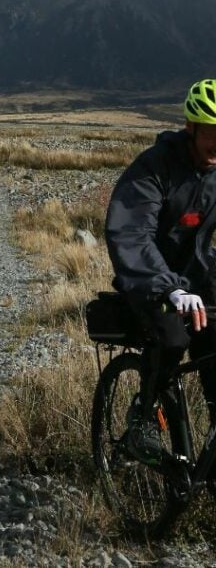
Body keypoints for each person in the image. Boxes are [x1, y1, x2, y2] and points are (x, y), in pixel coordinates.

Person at [105, 78, 216, 464]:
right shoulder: (155, 167)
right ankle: (144, 419)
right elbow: (131, 232)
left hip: (198, 280)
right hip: (149, 282)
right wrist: (167, 287)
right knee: (172, 338)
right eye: (211, 134)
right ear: (191, 127)